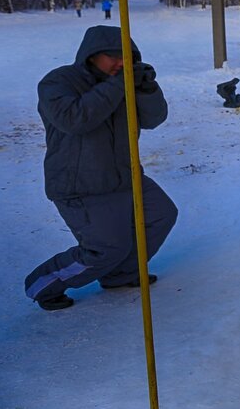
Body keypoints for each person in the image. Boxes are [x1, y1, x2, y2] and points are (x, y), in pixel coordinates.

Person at [24, 26, 178, 311]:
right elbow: (74, 119)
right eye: (113, 56)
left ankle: (120, 275)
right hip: (81, 184)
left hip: (125, 174)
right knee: (105, 249)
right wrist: (119, 84)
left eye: (127, 58)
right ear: (91, 55)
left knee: (161, 215)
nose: (121, 63)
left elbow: (154, 119)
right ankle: (43, 284)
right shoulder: (58, 82)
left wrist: (147, 89)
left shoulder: (120, 81)